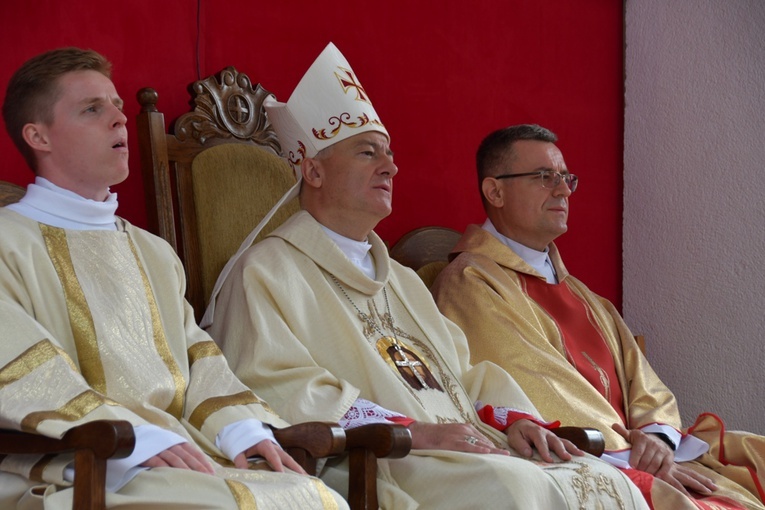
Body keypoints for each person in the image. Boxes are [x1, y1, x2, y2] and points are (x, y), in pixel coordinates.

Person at [206, 42, 648, 509]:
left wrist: (514, 419)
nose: (391, 166)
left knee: (609, 482)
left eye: (389, 153)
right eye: (367, 153)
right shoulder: (266, 271)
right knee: (518, 491)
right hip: (378, 460)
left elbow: (466, 372)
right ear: (313, 171)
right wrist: (415, 431)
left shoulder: (403, 281)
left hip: (468, 446)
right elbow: (277, 386)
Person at [0, 47, 348, 510]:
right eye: (92, 109)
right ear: (38, 136)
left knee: (315, 498)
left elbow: (197, 355)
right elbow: (23, 372)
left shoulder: (153, 252)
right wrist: (133, 440)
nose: (118, 120)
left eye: (118, 106)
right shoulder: (8, 243)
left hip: (183, 451)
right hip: (88, 467)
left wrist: (239, 426)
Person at [431, 123, 765, 510]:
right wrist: (635, 453)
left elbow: (646, 385)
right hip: (582, 457)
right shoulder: (472, 281)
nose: (563, 190)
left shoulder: (587, 298)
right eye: (544, 177)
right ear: (495, 191)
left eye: (565, 178)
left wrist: (656, 439)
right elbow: (533, 384)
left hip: (639, 452)